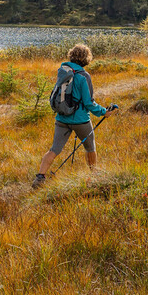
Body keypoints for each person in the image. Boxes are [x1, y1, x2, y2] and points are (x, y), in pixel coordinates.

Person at [33, 43, 117, 189]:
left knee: (54, 149)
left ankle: (39, 178)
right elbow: (89, 103)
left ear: (71, 55)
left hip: (61, 118)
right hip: (80, 120)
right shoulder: (84, 76)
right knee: (90, 148)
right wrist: (104, 112)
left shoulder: (63, 71)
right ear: (86, 59)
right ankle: (94, 176)